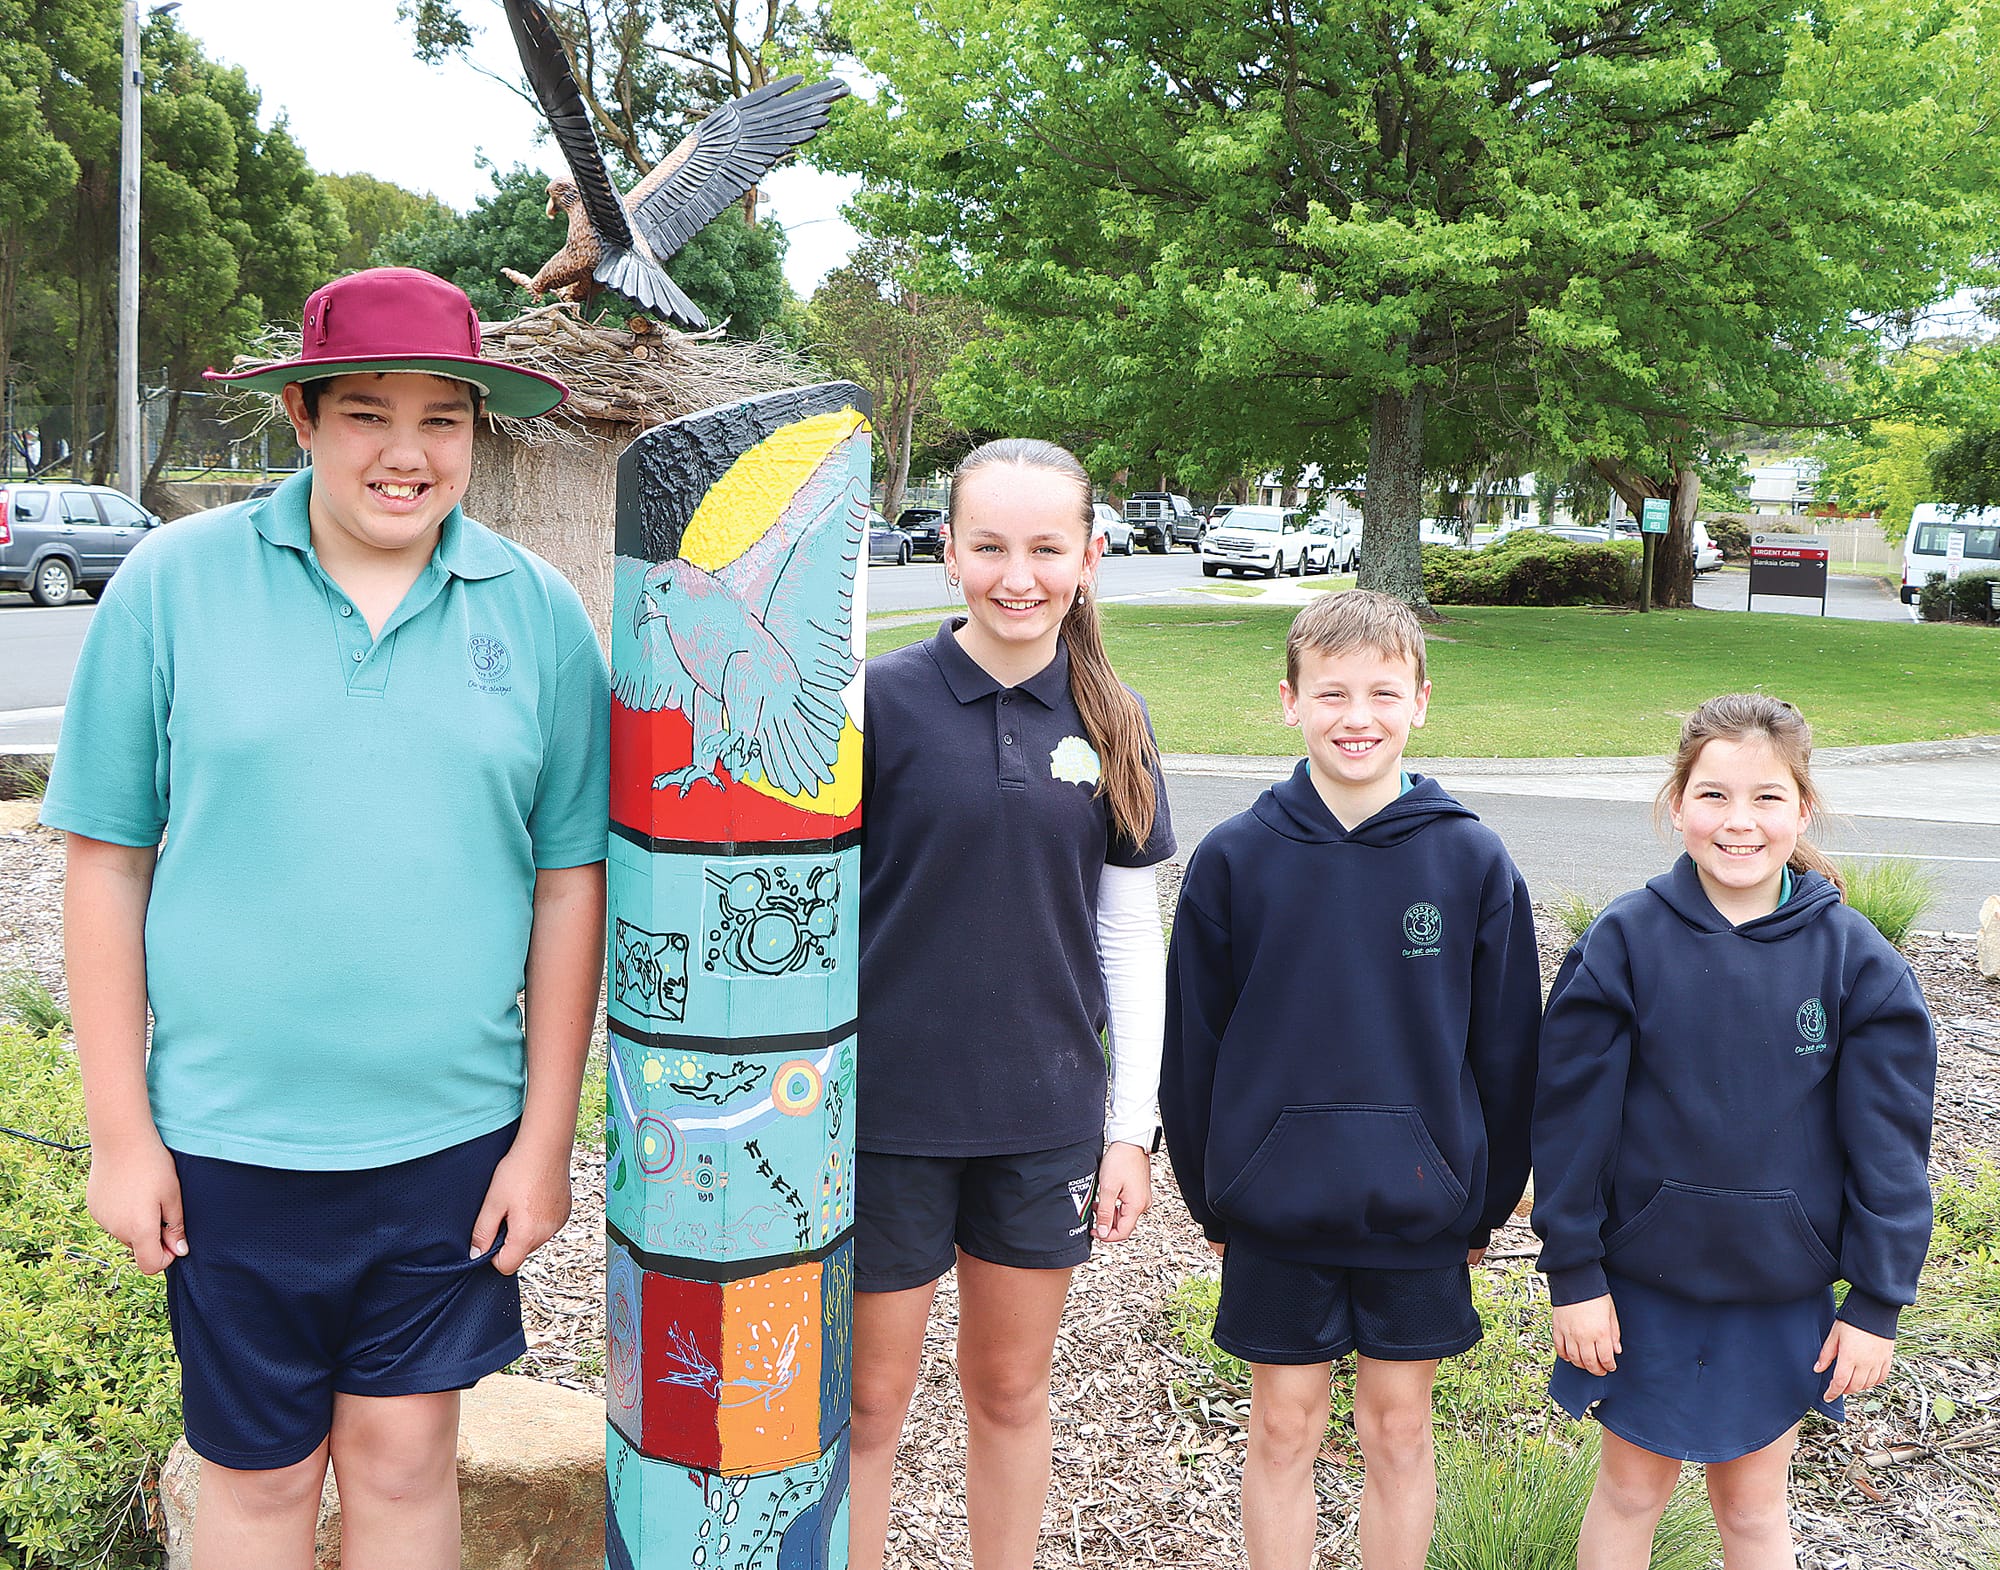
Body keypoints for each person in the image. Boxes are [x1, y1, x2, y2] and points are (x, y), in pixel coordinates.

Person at [43, 267, 611, 1570]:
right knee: (256, 1482)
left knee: (408, 1466)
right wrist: (121, 1137)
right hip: (231, 1146)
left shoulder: (537, 616)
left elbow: (568, 881)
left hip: (450, 1149)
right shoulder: (172, 587)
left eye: (442, 418)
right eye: (366, 413)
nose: (405, 454)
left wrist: (545, 1137)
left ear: (479, 428)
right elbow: (106, 862)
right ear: (301, 419)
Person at [1160, 590, 1542, 1570]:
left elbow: (1504, 1053)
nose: (1355, 715)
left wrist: (1481, 1205)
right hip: (1274, 1208)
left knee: (1397, 1429)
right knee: (1281, 1429)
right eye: (1330, 692)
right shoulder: (1235, 860)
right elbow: (1192, 1049)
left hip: (1418, 1211)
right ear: (1288, 700)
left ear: (1420, 698)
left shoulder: (1469, 858)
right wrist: (1212, 1194)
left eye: (1380, 691)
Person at [850, 438, 1175, 1570]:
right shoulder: (872, 703)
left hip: (1042, 1121)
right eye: (988, 545)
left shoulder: (1115, 719)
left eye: (1046, 547)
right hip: (881, 1118)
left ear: (1090, 557)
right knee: (868, 1402)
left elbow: (1129, 936)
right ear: (945, 554)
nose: (1017, 574)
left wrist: (1129, 1127)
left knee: (1007, 1388)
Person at [1532, 693, 1935, 1570]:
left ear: (1804, 808)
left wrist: (1875, 1301)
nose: (1739, 822)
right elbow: (1570, 1127)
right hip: (1640, 1289)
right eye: (1713, 795)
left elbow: (1890, 1148)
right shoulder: (1623, 942)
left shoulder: (1856, 960)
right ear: (1676, 805)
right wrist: (1575, 1274)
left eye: (1767, 798)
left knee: (1753, 1513)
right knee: (1631, 1492)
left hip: (1778, 1290)